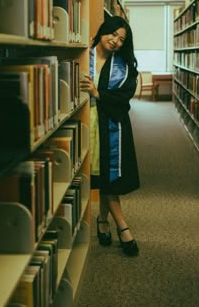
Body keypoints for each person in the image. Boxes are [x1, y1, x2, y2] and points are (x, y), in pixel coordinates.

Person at [80, 16, 140, 256]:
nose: (115, 41)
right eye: (112, 34)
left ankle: (116, 225)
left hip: (111, 125)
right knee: (105, 176)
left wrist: (98, 93)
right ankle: (108, 222)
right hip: (84, 121)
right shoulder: (82, 55)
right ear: (103, 31)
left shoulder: (124, 66)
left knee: (109, 176)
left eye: (121, 39)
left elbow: (124, 98)